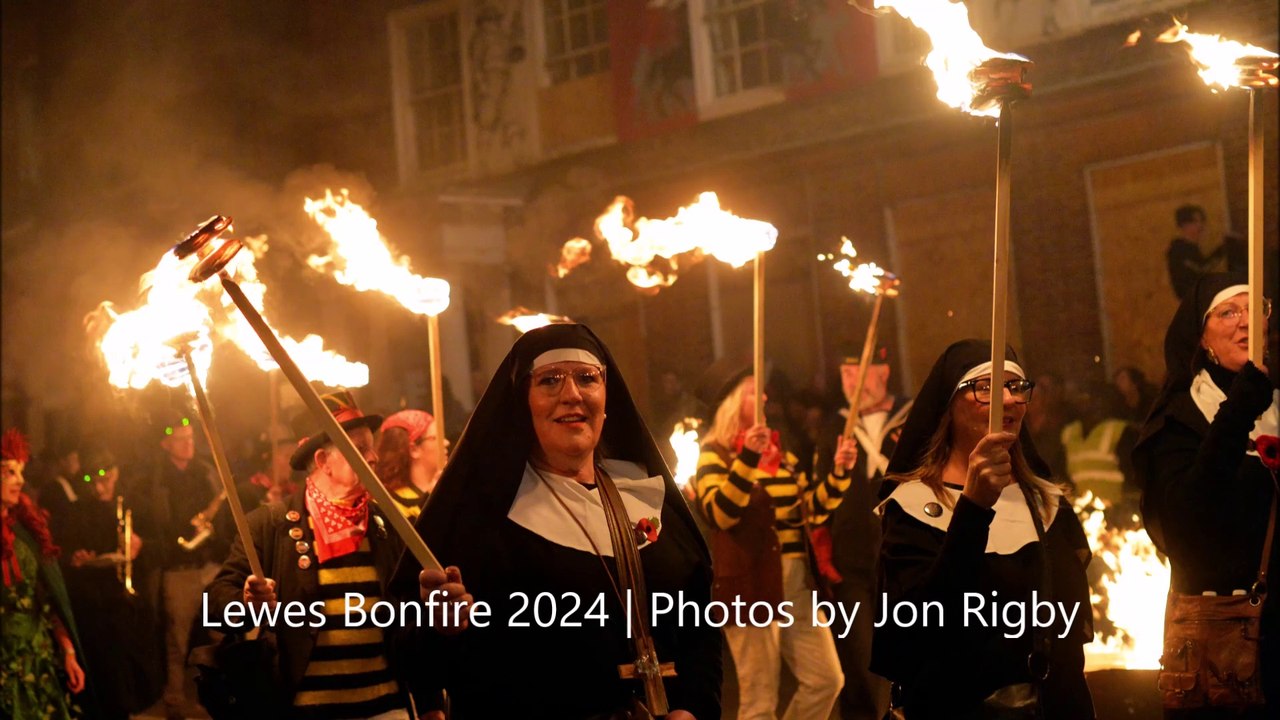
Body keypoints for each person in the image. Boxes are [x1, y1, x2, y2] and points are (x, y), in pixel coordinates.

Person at [401, 323, 721, 719]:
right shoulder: (481, 517)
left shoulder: (647, 498)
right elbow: (421, 659)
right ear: (523, 403)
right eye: (550, 380)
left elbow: (698, 628)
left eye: (587, 378)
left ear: (606, 397)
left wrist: (691, 709)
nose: (572, 394)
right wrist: (439, 627)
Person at [871, 340, 1095, 719]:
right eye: (986, 387)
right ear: (949, 404)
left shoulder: (1046, 503)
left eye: (1016, 386)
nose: (1007, 400)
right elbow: (920, 624)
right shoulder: (912, 507)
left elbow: (1068, 640)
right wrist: (973, 508)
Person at [206, 390, 436, 718]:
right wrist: (247, 602)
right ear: (323, 461)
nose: (373, 457)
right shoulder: (270, 526)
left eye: (371, 447)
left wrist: (430, 705)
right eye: (359, 449)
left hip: (386, 709)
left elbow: (413, 622)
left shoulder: (389, 525)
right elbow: (215, 602)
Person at [1135, 273, 1278, 717]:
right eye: (1228, 312)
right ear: (1202, 336)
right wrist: (1238, 411)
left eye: (1255, 309)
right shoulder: (1181, 417)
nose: (1246, 322)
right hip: (1227, 649)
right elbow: (1189, 522)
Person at [693, 356, 855, 720]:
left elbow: (810, 512)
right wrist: (747, 458)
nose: (765, 398)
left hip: (796, 580)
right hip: (750, 583)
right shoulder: (714, 455)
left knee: (826, 680)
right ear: (733, 402)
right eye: (754, 392)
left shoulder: (780, 455)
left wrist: (839, 473)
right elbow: (720, 514)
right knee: (760, 700)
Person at [812, 346, 912, 720]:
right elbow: (819, 501)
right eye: (845, 374)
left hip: (903, 558)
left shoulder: (911, 419)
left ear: (883, 373)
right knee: (859, 658)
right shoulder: (834, 428)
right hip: (850, 562)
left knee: (907, 652)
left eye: (861, 371)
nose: (851, 382)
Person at [133, 409, 228, 720]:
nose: (189, 443)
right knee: (177, 639)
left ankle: (221, 698)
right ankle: (174, 700)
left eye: (190, 438)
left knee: (222, 633)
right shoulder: (156, 481)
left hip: (210, 566)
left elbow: (223, 513)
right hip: (179, 570)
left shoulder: (206, 472)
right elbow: (154, 524)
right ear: (166, 444)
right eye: (181, 439)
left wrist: (214, 531)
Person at [59, 446, 161, 719]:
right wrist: (74, 557)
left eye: (105, 480)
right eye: (93, 481)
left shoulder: (135, 505)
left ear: (115, 474)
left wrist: (141, 546)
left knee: (127, 679)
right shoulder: (76, 511)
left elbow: (163, 546)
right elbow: (62, 550)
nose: (99, 488)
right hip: (94, 608)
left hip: (127, 606)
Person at [2, 428, 87, 719]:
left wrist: (68, 651)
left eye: (21, 472)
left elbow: (47, 598)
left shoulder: (26, 532)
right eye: (10, 473)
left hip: (36, 660)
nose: (20, 480)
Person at [375, 409, 448, 521]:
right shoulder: (391, 504)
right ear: (414, 450)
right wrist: (431, 500)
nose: (446, 442)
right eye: (435, 438)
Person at [1166, 204, 1224, 301]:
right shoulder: (1179, 250)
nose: (1200, 226)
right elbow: (1202, 268)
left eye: (1201, 221)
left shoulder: (1191, 248)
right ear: (1184, 225)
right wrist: (1223, 249)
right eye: (1195, 221)